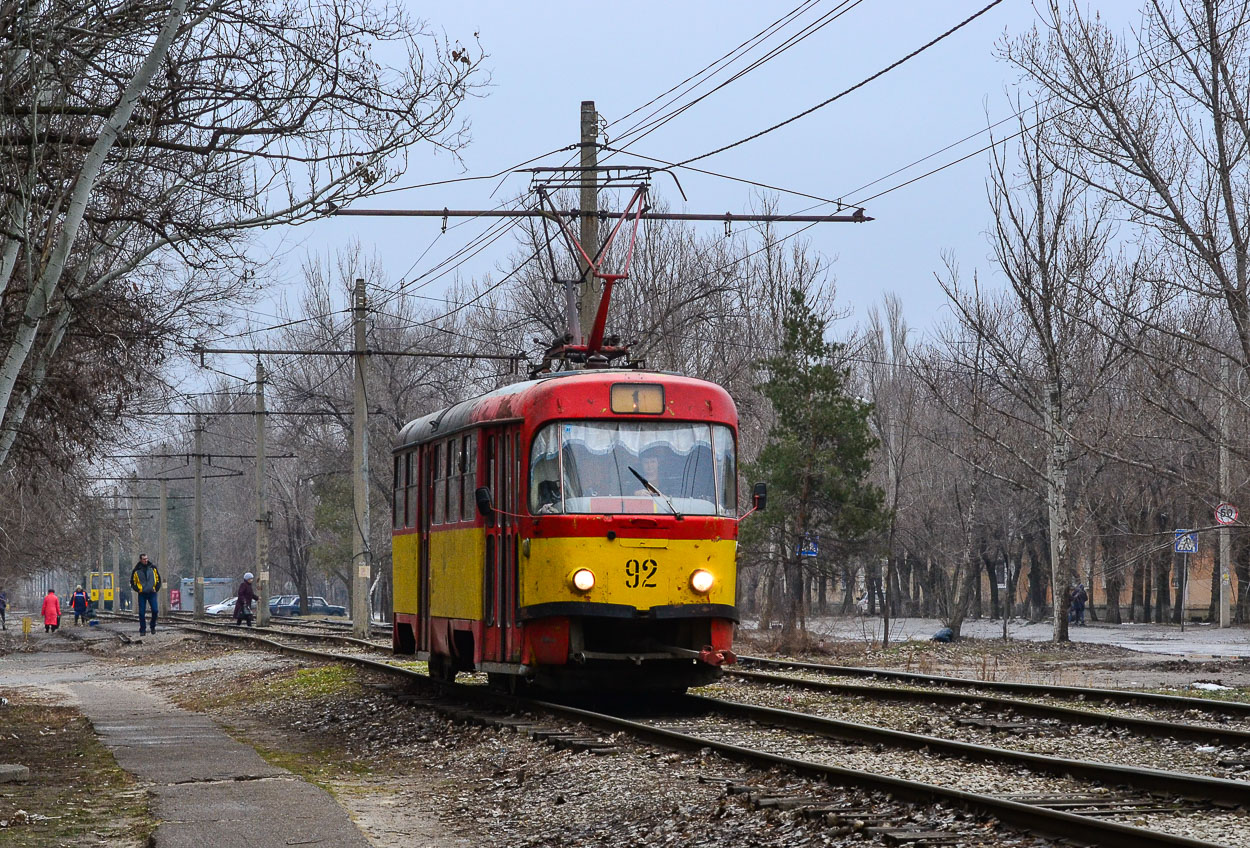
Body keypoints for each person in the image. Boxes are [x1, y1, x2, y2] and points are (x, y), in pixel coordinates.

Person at [129, 554, 161, 636]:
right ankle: (142, 629)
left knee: (155, 610)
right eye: (144, 559)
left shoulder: (153, 568)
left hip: (152, 592)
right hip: (142, 593)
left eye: (146, 559)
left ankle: (152, 626)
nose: (146, 560)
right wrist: (138, 589)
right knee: (141, 612)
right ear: (140, 560)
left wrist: (156, 588)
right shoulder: (136, 570)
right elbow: (132, 582)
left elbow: (158, 579)